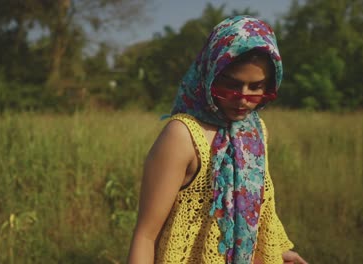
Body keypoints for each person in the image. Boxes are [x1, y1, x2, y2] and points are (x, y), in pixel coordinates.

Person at [128, 16, 307, 264]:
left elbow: (257, 212)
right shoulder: (183, 136)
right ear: (209, 75)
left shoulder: (254, 132)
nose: (243, 98)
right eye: (231, 86)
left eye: (256, 87)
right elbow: (145, 236)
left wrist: (275, 251)